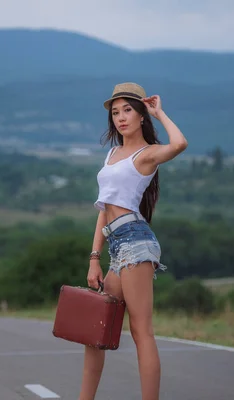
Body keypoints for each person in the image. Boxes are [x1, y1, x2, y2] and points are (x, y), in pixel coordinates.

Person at [80, 82, 188, 400]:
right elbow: (104, 209)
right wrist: (94, 258)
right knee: (95, 331)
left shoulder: (147, 154)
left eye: (128, 110)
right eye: (115, 112)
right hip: (116, 246)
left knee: (141, 332)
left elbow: (180, 143)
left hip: (136, 243)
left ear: (141, 115)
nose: (121, 117)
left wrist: (160, 112)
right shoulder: (113, 154)